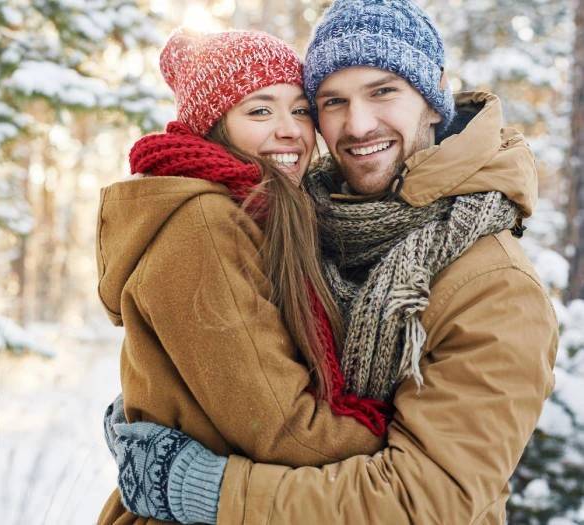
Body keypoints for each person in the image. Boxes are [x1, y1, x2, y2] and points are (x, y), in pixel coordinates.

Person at [107, 0, 559, 523]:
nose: (358, 124)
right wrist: (151, 406)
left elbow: (424, 501)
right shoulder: (303, 221)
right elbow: (236, 362)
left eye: (383, 91)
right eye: (332, 101)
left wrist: (204, 486)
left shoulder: (495, 286)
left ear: (433, 101)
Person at [95, 28, 394, 525]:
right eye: (260, 111)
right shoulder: (205, 225)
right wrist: (413, 439)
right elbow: (285, 429)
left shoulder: (267, 214)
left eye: (300, 110)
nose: (290, 131)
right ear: (214, 126)